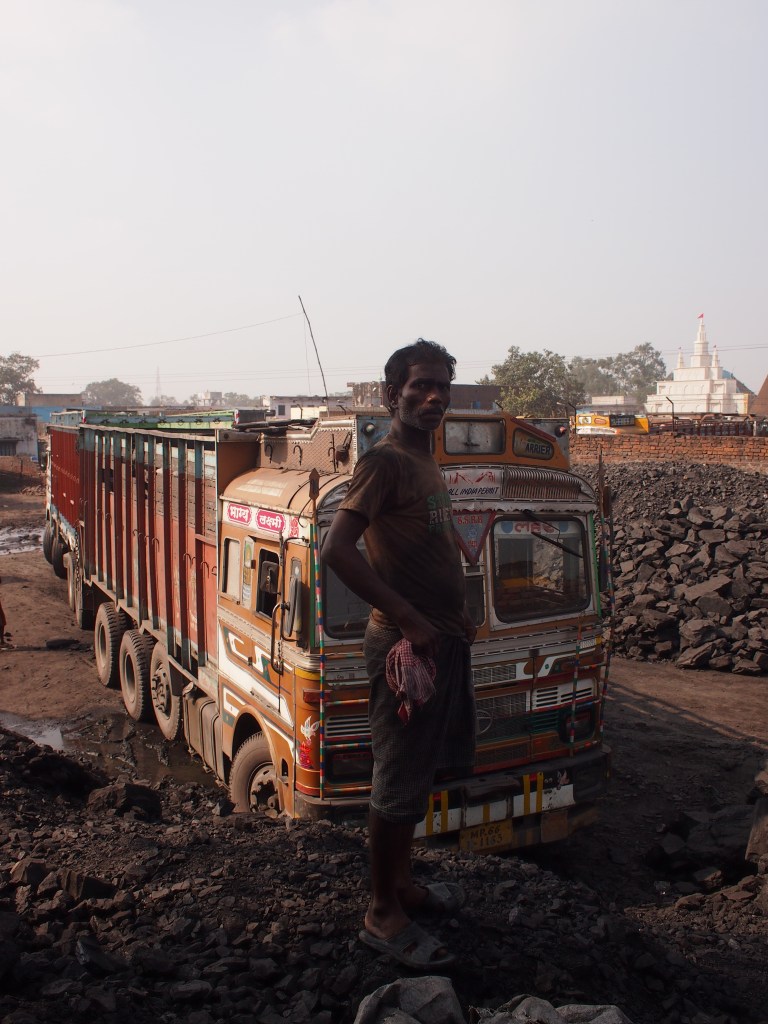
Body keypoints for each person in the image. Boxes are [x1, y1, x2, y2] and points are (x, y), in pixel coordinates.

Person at [321, 338, 476, 970]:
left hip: (439, 638)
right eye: (420, 386)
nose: (434, 396)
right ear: (392, 395)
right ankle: (383, 913)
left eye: (442, 387)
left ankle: (405, 885)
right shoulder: (385, 461)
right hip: (405, 644)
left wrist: (449, 612)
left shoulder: (424, 460)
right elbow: (336, 550)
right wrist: (411, 617)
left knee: (418, 774)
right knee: (397, 778)